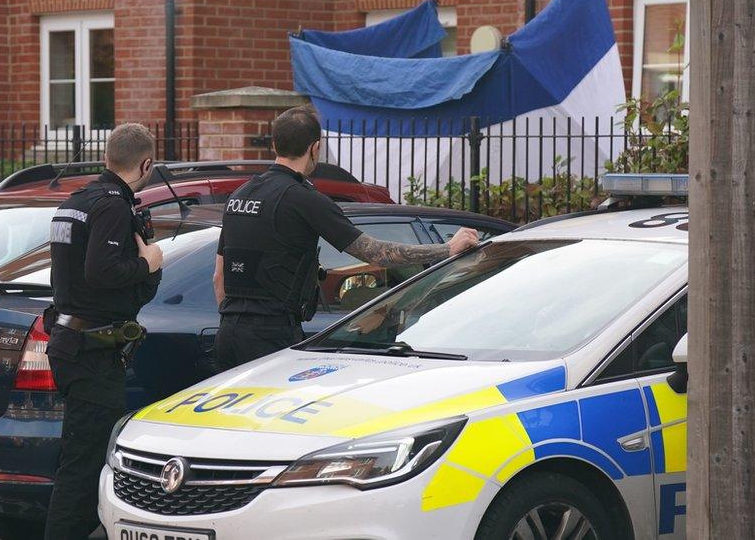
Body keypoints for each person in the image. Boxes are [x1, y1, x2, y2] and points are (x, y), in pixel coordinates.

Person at [212, 105, 479, 371]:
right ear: (315, 148)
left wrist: (232, 320)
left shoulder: (240, 195)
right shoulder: (304, 198)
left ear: (274, 144)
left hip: (227, 333)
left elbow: (219, 277)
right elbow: (374, 253)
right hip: (271, 335)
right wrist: (447, 249)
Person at [44, 123, 164, 539]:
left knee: (78, 458)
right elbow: (103, 271)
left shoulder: (76, 200)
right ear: (146, 164)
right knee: (84, 465)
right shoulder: (113, 204)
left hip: (71, 341)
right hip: (91, 350)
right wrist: (149, 262)